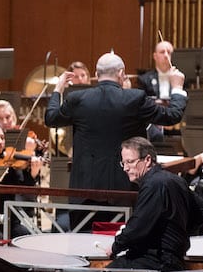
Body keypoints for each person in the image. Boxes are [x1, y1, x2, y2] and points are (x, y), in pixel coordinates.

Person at [45, 51, 186, 193]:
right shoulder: (136, 98)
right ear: (121, 73)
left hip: (85, 190)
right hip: (126, 191)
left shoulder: (77, 99)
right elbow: (172, 116)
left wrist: (58, 89)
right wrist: (177, 88)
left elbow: (51, 118)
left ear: (97, 74)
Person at [108, 137, 195, 270]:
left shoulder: (152, 184)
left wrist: (114, 247)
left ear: (147, 160)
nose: (125, 168)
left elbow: (138, 226)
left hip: (155, 260)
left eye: (130, 162)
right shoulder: (178, 180)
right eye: (123, 163)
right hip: (175, 258)